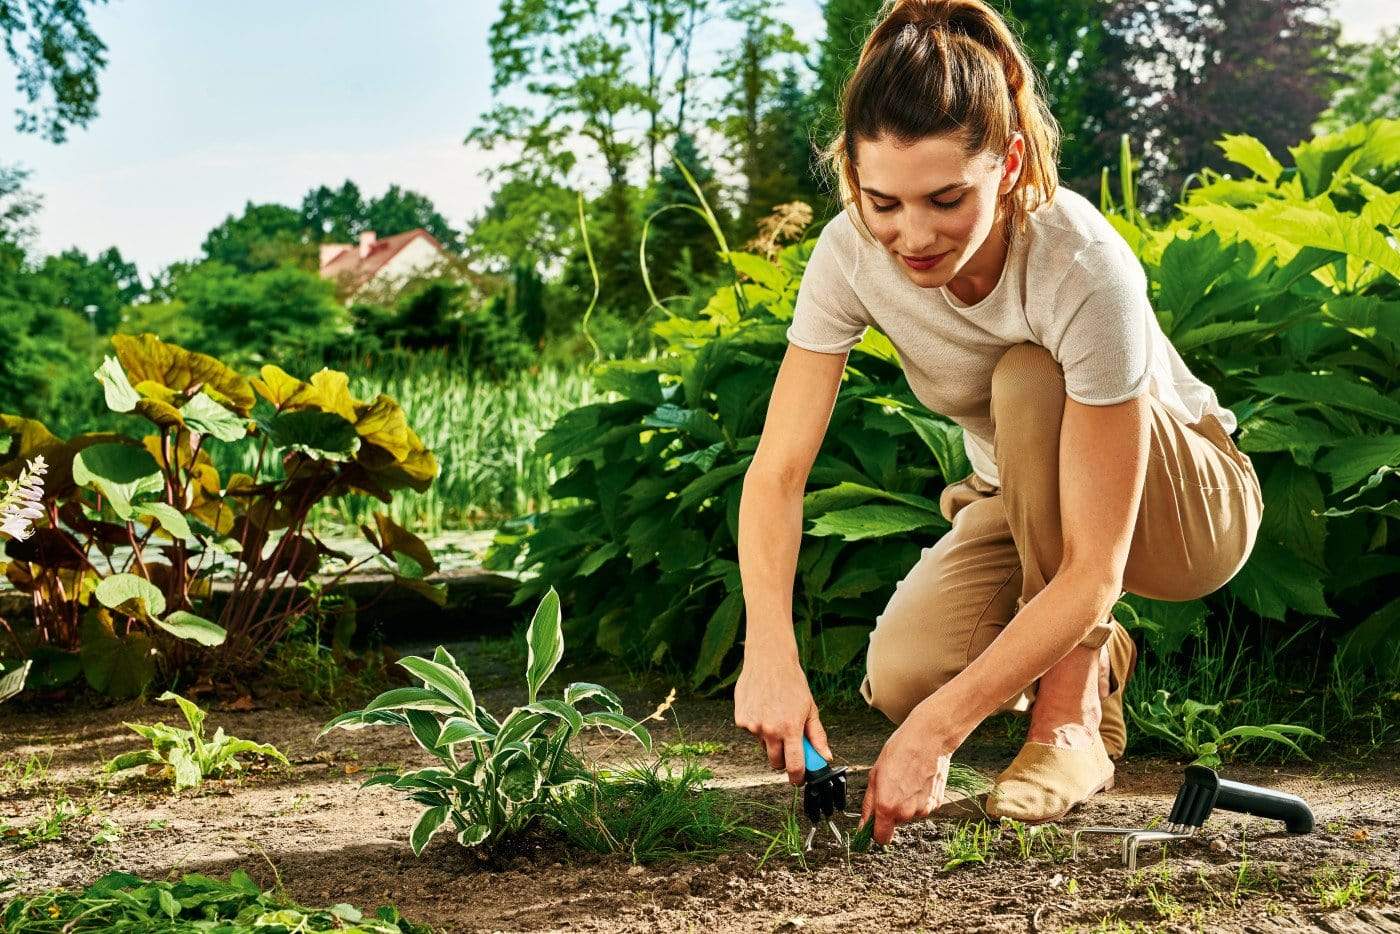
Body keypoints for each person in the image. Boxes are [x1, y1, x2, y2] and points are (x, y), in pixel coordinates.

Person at [732, 0, 1263, 846]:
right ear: (851, 177)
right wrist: (769, 649)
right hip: (1021, 489)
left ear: (1010, 163)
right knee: (906, 677)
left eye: (945, 198)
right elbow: (779, 472)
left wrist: (942, 737)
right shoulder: (848, 255)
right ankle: (1097, 664)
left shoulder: (1080, 264)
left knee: (1025, 374)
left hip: (1189, 503)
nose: (913, 235)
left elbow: (1094, 567)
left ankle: (1068, 719)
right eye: (883, 202)